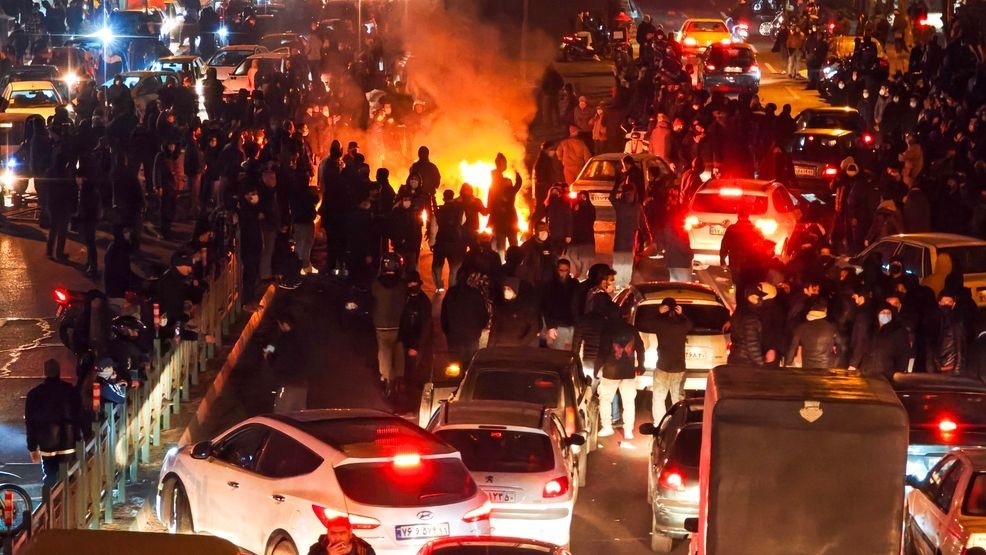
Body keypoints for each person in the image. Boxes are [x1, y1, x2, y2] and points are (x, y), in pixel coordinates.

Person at [25, 359, 82, 488]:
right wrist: (79, 437)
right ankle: (69, 504)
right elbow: (78, 416)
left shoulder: (34, 394)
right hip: (69, 441)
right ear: (59, 372)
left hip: (46, 443)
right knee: (69, 477)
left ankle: (52, 504)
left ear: (44, 372)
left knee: (50, 478)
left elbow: (30, 423)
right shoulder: (70, 391)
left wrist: (32, 447)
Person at [595, 302, 644, 443]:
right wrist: (641, 364)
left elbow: (602, 352)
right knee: (629, 401)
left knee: (605, 399)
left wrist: (596, 368)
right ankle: (628, 430)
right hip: (628, 371)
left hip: (611, 371)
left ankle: (607, 426)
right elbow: (640, 348)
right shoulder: (631, 329)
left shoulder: (607, 330)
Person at [648, 297, 693, 423]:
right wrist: (682, 315)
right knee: (677, 398)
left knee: (658, 398)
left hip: (663, 366)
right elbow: (689, 325)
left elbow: (647, 323)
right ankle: (678, 422)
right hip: (679, 367)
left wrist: (658, 313)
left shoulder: (660, 323)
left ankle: (659, 423)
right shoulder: (682, 324)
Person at [370, 253, 407, 398]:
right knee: (398, 350)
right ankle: (399, 378)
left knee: (383, 352)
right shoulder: (402, 285)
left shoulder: (377, 285)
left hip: (381, 325)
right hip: (398, 324)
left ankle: (386, 378)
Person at [441, 271, 489, 366]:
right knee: (470, 363)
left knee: (454, 364)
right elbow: (483, 315)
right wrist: (478, 329)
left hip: (454, 337)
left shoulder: (451, 294)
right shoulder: (475, 294)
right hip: (471, 337)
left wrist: (447, 331)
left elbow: (444, 316)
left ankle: (455, 380)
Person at [611, 182, 650, 289]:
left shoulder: (628, 206)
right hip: (626, 243)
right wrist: (648, 236)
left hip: (625, 242)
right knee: (624, 266)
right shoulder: (630, 206)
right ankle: (622, 286)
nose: (628, 196)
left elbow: (642, 223)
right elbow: (643, 223)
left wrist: (617, 182)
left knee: (623, 266)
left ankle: (621, 286)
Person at [859, 304, 912, 379]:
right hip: (868, 373)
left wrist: (898, 373)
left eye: (888, 313)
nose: (885, 315)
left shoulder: (898, 331)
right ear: (878, 314)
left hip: (887, 375)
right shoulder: (871, 330)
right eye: (883, 312)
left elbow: (904, 353)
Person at [397, 271, 431, 386]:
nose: (411, 287)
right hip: (406, 340)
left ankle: (411, 390)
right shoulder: (406, 297)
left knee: (413, 369)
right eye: (409, 284)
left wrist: (415, 346)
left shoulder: (424, 302)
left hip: (415, 343)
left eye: (413, 284)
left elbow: (425, 327)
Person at [785, 300, 840, 368]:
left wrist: (788, 363)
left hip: (808, 365)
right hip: (827, 365)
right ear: (825, 311)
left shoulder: (801, 327)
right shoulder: (832, 327)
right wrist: (836, 361)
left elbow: (792, 347)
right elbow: (840, 345)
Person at [431, 189, 466, 292]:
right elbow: (462, 222)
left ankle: (439, 286)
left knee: (437, 267)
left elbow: (434, 230)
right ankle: (452, 290)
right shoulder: (460, 210)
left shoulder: (438, 212)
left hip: (441, 243)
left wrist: (432, 243)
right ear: (452, 197)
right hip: (455, 243)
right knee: (454, 270)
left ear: (444, 198)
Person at [542, 259, 578, 350]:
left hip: (571, 323)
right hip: (558, 324)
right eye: (561, 270)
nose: (564, 273)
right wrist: (550, 325)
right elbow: (546, 306)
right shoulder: (550, 285)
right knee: (558, 351)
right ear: (557, 270)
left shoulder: (574, 284)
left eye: (566, 270)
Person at [728, 287, 767, 365]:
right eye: (759, 297)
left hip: (736, 357)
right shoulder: (751, 317)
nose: (761, 300)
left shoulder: (741, 311)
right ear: (751, 298)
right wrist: (761, 363)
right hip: (746, 362)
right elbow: (752, 345)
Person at [934, 291, 966, 374]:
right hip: (939, 368)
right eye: (944, 302)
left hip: (950, 368)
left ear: (954, 304)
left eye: (949, 302)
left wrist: (957, 369)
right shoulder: (934, 321)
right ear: (939, 303)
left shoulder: (957, 322)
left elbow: (960, 347)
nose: (946, 304)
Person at [308, 516, 376, 555]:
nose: (337, 538)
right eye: (333, 533)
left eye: (342, 533)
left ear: (349, 533)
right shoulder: (316, 549)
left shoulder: (365, 551)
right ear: (328, 533)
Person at [568, 191, 596, 279]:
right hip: (576, 235)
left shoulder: (590, 208)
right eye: (580, 197)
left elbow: (592, 219)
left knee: (585, 256)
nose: (582, 199)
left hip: (587, 235)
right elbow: (571, 219)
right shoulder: (575, 207)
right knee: (571, 254)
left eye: (584, 197)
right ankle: (579, 270)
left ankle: (583, 274)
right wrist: (574, 211)